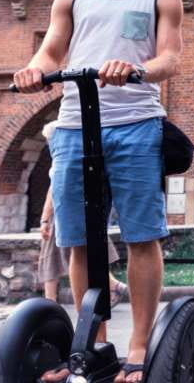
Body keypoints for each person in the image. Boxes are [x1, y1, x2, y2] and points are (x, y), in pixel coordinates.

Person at [14, 0, 183, 383]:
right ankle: (95, 344)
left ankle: (137, 348)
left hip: (135, 123)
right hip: (72, 126)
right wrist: (33, 70)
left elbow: (170, 58)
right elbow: (51, 52)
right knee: (78, 240)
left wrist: (135, 70)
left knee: (141, 236)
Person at [38, 121, 130, 307]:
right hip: (72, 211)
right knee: (82, 251)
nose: (49, 143)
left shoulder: (65, 157)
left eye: (49, 139)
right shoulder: (65, 156)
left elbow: (54, 191)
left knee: (77, 251)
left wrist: (46, 219)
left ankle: (51, 302)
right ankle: (53, 302)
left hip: (67, 212)